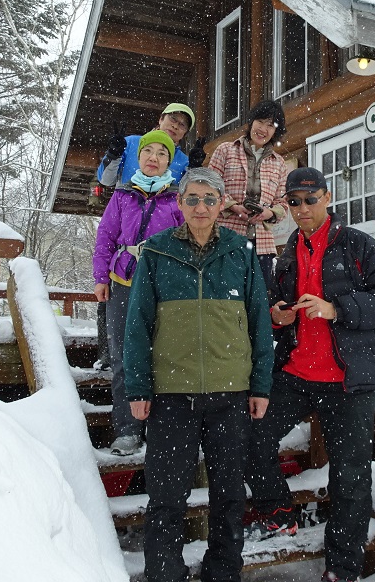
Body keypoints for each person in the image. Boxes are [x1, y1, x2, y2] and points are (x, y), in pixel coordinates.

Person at [244, 167, 375, 582]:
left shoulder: (358, 245)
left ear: (327, 197)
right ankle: (279, 512)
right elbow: (281, 306)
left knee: (350, 477)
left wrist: (338, 309)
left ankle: (342, 569)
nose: (302, 209)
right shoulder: (288, 250)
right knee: (249, 433)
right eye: (294, 202)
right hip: (296, 373)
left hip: (348, 381)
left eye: (310, 199)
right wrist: (279, 315)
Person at [123, 167, 274, 582]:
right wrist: (138, 386)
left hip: (231, 395)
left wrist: (260, 384)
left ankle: (223, 572)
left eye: (210, 199)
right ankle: (165, 572)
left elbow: (259, 320)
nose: (201, 207)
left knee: (229, 498)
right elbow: (137, 324)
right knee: (167, 497)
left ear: (222, 203)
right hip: (172, 395)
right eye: (193, 198)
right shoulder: (155, 251)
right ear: (180, 202)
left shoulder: (241, 251)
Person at [93, 130, 185, 456]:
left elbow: (187, 244)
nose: (153, 158)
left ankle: (159, 429)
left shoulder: (177, 200)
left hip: (163, 288)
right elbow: (105, 237)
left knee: (162, 357)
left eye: (162, 153)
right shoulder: (122, 196)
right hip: (124, 283)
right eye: (149, 152)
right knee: (123, 358)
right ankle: (127, 430)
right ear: (139, 156)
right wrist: (100, 277)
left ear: (168, 163)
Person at [208, 100, 290, 286]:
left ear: (276, 131)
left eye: (270, 125)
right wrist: (233, 207)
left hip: (263, 246)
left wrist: (269, 213)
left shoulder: (279, 163)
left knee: (259, 300)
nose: (263, 129)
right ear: (251, 122)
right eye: (260, 121)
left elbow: (283, 203)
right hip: (225, 239)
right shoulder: (225, 150)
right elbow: (210, 189)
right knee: (223, 297)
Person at [97, 102, 207, 188]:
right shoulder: (130, 143)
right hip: (125, 214)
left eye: (182, 125)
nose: (175, 126)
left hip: (163, 217)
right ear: (161, 119)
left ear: (184, 134)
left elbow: (187, 197)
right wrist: (113, 155)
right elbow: (106, 181)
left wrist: (194, 170)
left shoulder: (185, 162)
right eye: (173, 118)